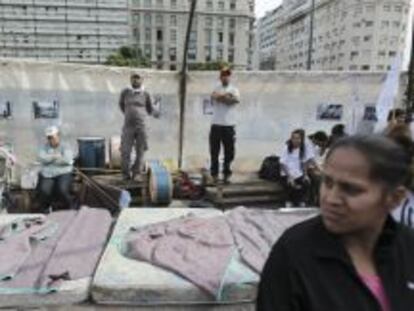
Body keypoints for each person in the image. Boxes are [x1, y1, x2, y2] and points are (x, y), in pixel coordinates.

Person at [257, 135, 414, 311]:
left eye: (351, 189)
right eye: (328, 182)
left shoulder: (408, 247)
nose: (331, 199)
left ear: (394, 198)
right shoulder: (293, 252)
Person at [119, 72, 153, 181]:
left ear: (142, 80)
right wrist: (129, 114)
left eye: (138, 78)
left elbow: (150, 109)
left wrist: (140, 115)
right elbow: (121, 105)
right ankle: (125, 174)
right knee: (125, 150)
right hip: (128, 126)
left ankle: (136, 173)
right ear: (130, 79)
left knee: (140, 150)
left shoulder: (146, 93)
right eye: (133, 78)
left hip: (141, 127)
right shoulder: (125, 92)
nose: (135, 80)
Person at [209, 67, 240, 184]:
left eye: (227, 75)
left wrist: (222, 97)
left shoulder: (234, 89)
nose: (225, 77)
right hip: (216, 124)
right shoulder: (215, 88)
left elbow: (234, 100)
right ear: (220, 76)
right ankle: (214, 175)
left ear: (230, 77)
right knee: (214, 151)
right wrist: (226, 96)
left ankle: (227, 174)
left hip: (229, 125)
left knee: (229, 151)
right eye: (223, 75)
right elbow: (214, 97)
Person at [37, 126, 74, 211]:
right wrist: (55, 156)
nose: (51, 140)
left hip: (63, 172)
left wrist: (49, 159)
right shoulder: (44, 147)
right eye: (49, 138)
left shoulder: (65, 146)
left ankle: (70, 205)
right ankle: (47, 208)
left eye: (52, 137)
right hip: (48, 174)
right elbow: (41, 158)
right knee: (44, 190)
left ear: (58, 135)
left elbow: (67, 160)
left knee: (62, 190)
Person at [280, 129, 316, 207]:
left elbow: (303, 163)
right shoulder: (286, 148)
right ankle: (288, 201)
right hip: (287, 173)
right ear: (291, 139)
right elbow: (282, 164)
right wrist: (289, 177)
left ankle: (301, 201)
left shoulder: (302, 149)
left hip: (298, 173)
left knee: (306, 182)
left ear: (301, 139)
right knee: (290, 183)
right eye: (294, 138)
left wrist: (305, 175)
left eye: (298, 138)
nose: (296, 140)